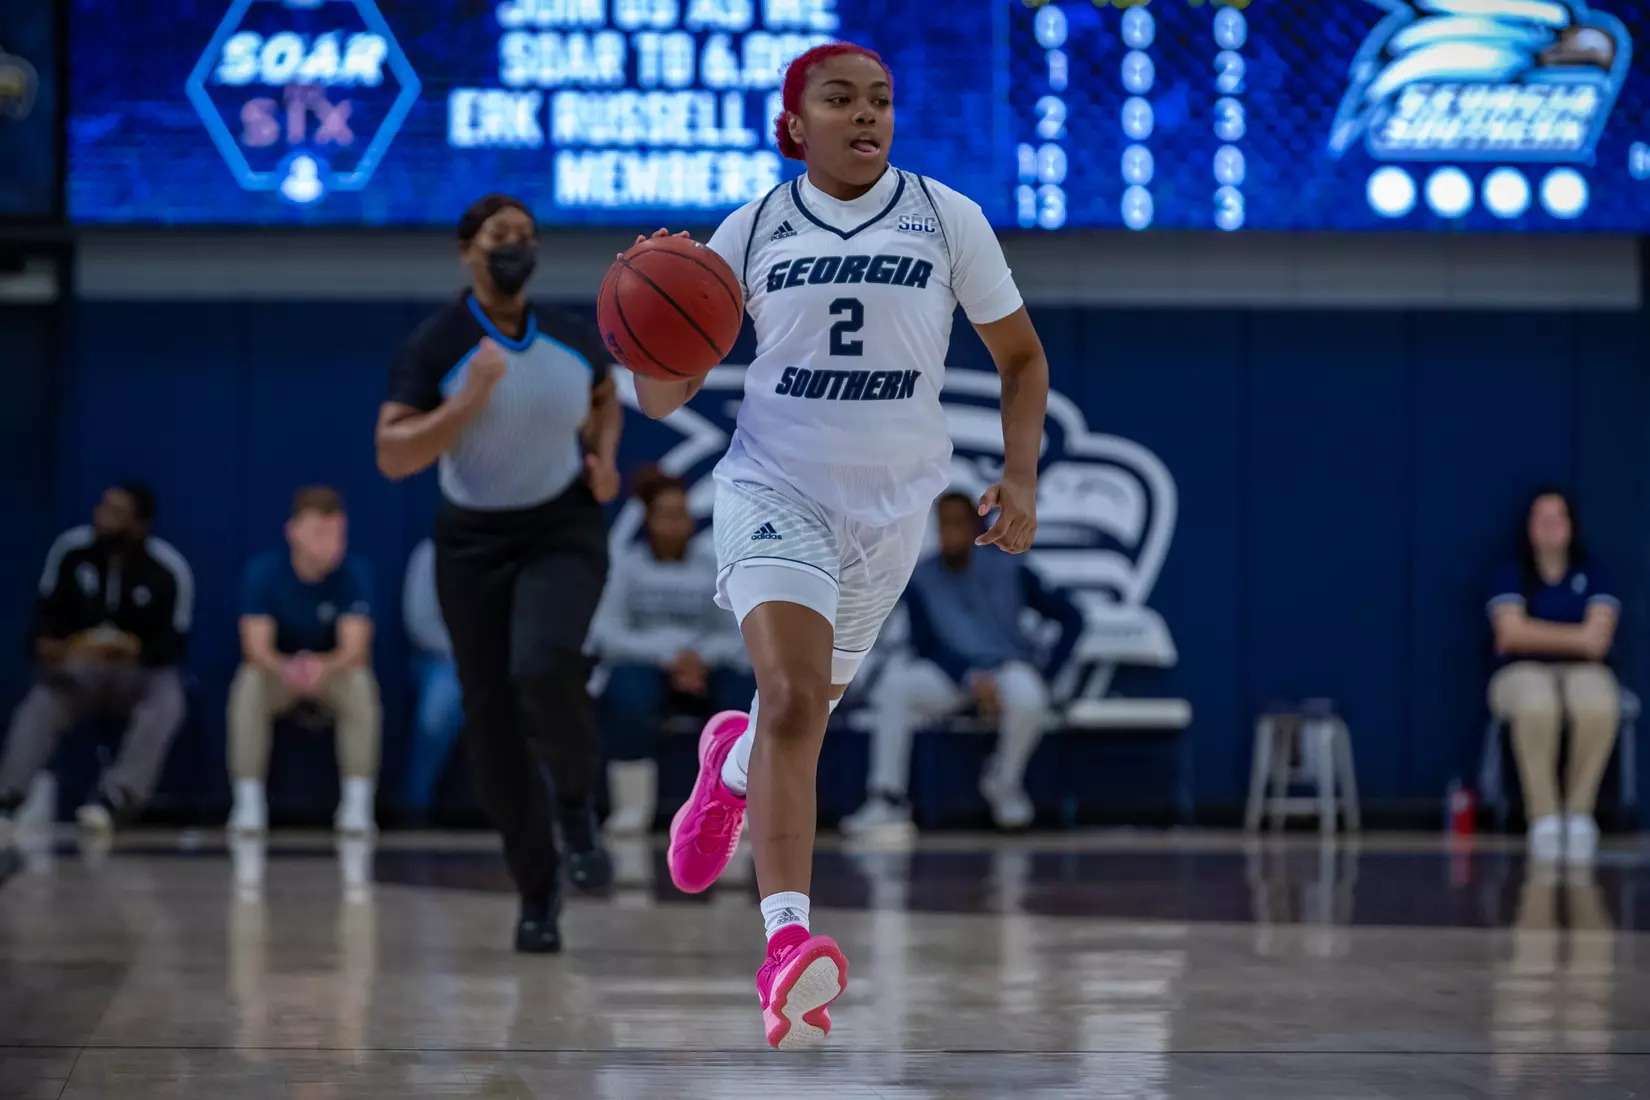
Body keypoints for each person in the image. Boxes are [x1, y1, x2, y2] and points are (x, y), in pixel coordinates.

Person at [629, 43, 1049, 1048]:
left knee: (801, 714)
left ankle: (729, 767)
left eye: (881, 100)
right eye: (840, 99)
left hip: (892, 513)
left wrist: (1022, 474)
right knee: (787, 696)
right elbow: (659, 397)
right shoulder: (751, 228)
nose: (867, 115)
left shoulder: (947, 216)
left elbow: (1021, 357)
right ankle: (785, 942)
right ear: (793, 123)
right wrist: (648, 316)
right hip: (774, 487)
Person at [375, 193, 623, 954]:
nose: (515, 246)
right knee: (493, 731)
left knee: (544, 664)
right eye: (498, 234)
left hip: (561, 527)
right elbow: (394, 454)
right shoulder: (438, 344)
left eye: (525, 235)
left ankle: (578, 806)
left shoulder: (569, 335)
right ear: (467, 251)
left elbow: (606, 394)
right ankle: (537, 891)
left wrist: (604, 458)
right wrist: (470, 400)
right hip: (473, 544)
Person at [842, 491, 1082, 838]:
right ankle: (888, 799)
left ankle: (1003, 782)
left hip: (1007, 668)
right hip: (952, 676)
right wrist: (970, 678)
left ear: (976, 527)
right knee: (895, 686)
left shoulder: (1010, 567)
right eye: (943, 525)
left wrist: (1046, 674)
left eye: (958, 524)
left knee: (1030, 697)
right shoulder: (922, 577)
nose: (949, 533)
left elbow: (1072, 617)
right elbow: (926, 645)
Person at [0, 483, 192, 833]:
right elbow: (44, 618)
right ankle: (8, 796)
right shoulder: (71, 552)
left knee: (168, 696)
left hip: (136, 672)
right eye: (103, 508)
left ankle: (116, 797)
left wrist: (134, 649)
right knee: (43, 699)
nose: (103, 517)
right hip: (80, 670)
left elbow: (174, 642)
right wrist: (53, 646)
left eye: (117, 512)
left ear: (140, 524)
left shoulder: (168, 568)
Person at [591, 467, 753, 835]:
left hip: (706, 666)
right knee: (627, 696)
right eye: (666, 516)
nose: (675, 524)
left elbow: (737, 632)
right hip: (646, 665)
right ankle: (632, 808)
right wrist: (670, 657)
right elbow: (607, 633)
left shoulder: (713, 567)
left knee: (742, 700)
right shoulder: (626, 567)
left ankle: (735, 806)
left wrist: (699, 658)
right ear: (648, 520)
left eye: (681, 515)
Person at [228, 487, 382, 836]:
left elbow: (355, 648)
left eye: (338, 534)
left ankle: (357, 802)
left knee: (360, 683)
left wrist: (321, 667)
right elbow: (255, 646)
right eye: (319, 533)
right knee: (249, 682)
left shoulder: (354, 573)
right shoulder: (263, 572)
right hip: (280, 671)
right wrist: (287, 667)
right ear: (293, 531)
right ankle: (248, 800)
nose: (330, 544)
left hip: (330, 672)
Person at [1488, 487, 1621, 864]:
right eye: (1541, 518)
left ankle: (1578, 812)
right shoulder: (1511, 572)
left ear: (1571, 525)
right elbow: (1510, 635)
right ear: (1529, 525)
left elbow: (1598, 642)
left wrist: (1536, 632)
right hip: (1521, 671)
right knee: (1537, 705)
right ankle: (1543, 815)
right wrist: (1576, 636)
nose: (1549, 525)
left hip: (1583, 671)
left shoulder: (1593, 572)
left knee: (1597, 704)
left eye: (1557, 517)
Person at [401, 538, 463, 817]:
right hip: (446, 657)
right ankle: (415, 804)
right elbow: (420, 624)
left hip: (504, 659)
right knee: (437, 710)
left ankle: (552, 807)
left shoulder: (515, 549)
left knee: (539, 696)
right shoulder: (431, 553)